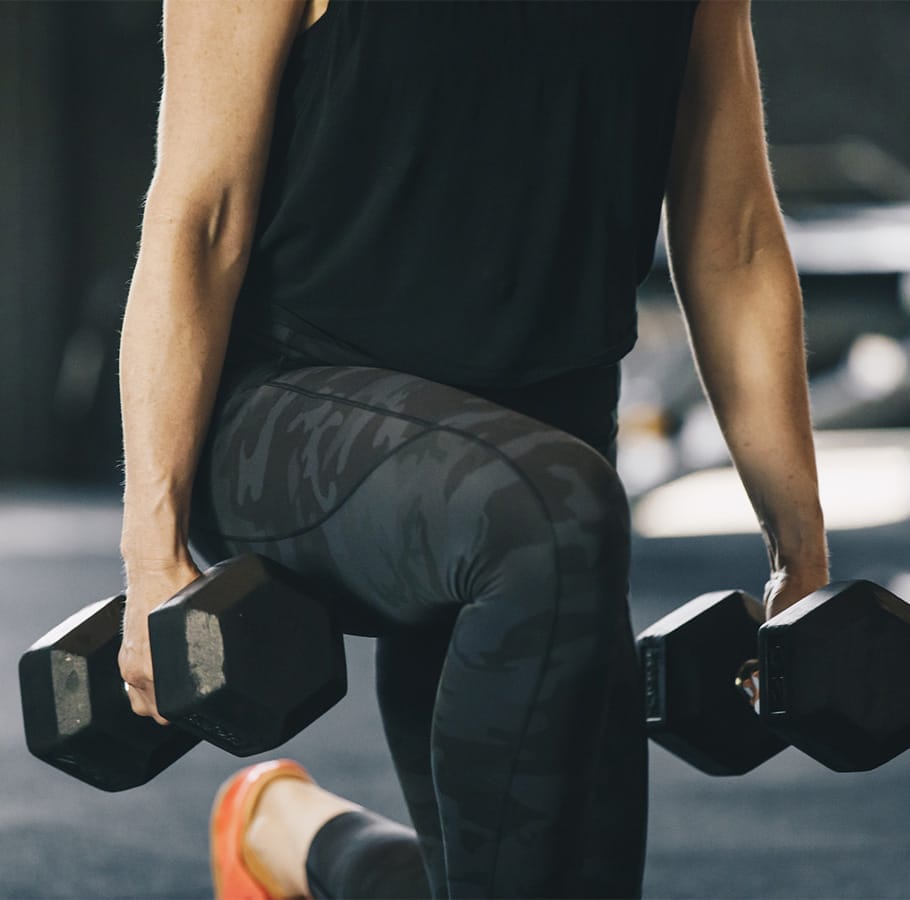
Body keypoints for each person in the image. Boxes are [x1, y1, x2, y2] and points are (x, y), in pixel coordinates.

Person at [116, 0, 829, 897]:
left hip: (543, 472)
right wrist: (153, 552)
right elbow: (199, 217)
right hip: (290, 420)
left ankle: (289, 838)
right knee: (539, 512)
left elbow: (733, 240)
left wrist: (799, 555)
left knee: (530, 872)